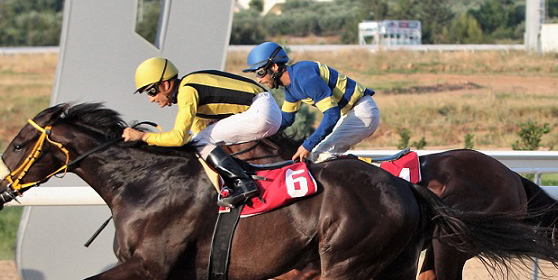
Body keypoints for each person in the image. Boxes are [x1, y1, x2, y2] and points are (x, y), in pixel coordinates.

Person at [122, 57, 282, 208]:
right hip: (265, 109)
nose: (151, 99)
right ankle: (236, 180)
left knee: (200, 140)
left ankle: (242, 183)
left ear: (165, 85)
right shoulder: (190, 91)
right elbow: (197, 139)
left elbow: (179, 138)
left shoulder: (187, 90)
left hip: (261, 109)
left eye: (151, 92)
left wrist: (143, 136)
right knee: (201, 140)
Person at [243, 41, 379, 162]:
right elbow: (285, 120)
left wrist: (307, 145)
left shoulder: (304, 77)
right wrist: (258, 133)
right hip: (351, 114)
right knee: (315, 153)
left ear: (274, 67)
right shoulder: (290, 87)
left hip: (361, 113)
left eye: (260, 73)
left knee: (320, 154)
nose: (259, 80)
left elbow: (332, 115)